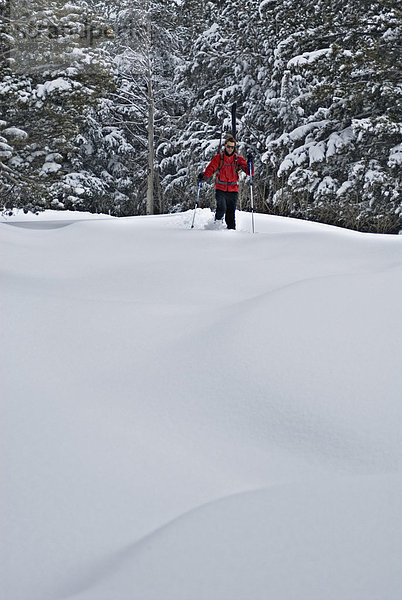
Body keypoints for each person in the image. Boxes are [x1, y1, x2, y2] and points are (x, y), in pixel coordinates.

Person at [198, 135, 254, 230]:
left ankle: (231, 232)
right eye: (228, 146)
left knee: (231, 213)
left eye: (232, 147)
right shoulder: (219, 158)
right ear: (225, 146)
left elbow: (250, 172)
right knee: (221, 208)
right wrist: (204, 176)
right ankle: (216, 226)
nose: (230, 149)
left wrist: (250, 162)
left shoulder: (238, 159)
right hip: (220, 188)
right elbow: (211, 168)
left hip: (233, 190)